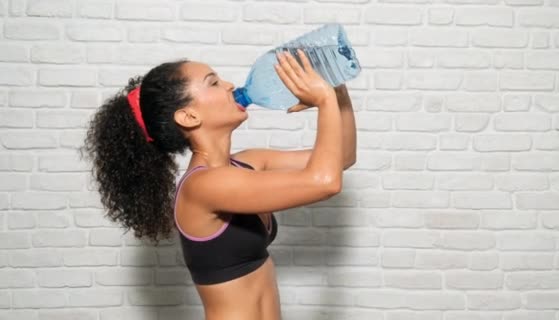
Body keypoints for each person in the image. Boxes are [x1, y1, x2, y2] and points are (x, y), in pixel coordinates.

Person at [80, 49, 357, 320]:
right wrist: (323, 100)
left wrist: (335, 88)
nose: (229, 86)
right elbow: (325, 183)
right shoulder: (203, 186)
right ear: (189, 117)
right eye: (213, 82)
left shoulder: (248, 163)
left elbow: (342, 157)